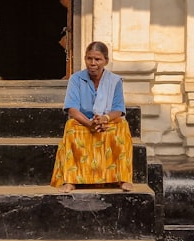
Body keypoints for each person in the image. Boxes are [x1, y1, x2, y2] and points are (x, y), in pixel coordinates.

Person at [50, 41, 134, 193]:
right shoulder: (76, 79)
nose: (93, 63)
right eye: (89, 59)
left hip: (105, 121)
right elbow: (72, 109)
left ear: (106, 61)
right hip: (84, 122)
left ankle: (123, 178)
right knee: (71, 127)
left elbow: (119, 109)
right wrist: (89, 123)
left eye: (98, 59)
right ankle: (71, 180)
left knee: (122, 127)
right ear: (85, 59)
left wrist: (104, 119)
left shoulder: (114, 81)